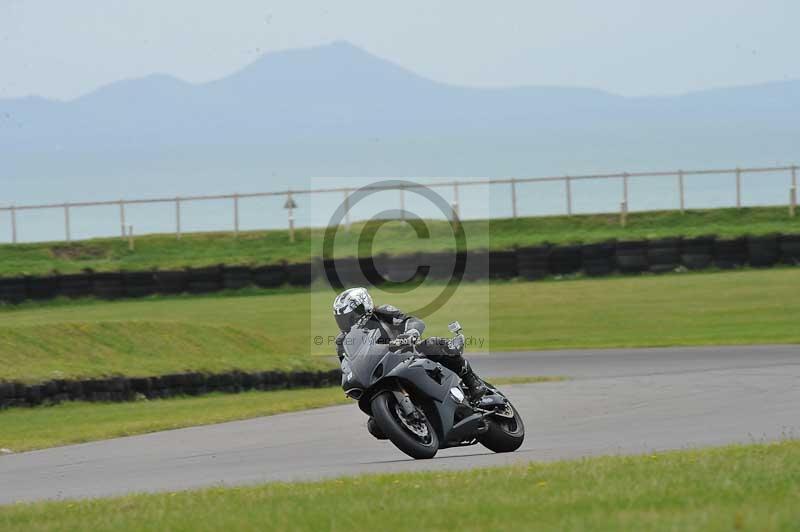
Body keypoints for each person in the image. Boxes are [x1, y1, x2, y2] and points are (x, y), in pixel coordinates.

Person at [332, 286, 487, 401]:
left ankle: (472, 380)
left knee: (433, 344)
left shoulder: (382, 312)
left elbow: (411, 321)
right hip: (380, 370)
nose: (348, 323)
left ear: (363, 306)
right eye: (343, 319)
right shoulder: (342, 341)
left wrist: (410, 334)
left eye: (350, 317)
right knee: (375, 427)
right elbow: (347, 365)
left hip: (407, 353)